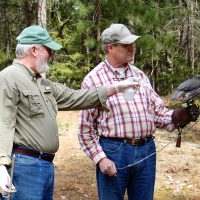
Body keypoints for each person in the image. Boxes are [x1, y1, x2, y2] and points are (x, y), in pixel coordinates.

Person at [0, 25, 139, 200]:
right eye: (48, 50)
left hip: (45, 166)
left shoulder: (42, 83)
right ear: (34, 49)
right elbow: (3, 122)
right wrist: (1, 166)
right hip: (23, 167)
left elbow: (77, 97)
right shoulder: (9, 77)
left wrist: (117, 87)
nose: (51, 55)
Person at [78, 23, 198, 200]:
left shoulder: (140, 75)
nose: (132, 48)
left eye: (132, 43)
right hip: (114, 151)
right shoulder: (93, 80)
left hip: (147, 150)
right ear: (110, 47)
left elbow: (158, 113)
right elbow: (85, 130)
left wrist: (178, 116)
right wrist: (101, 159)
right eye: (126, 45)